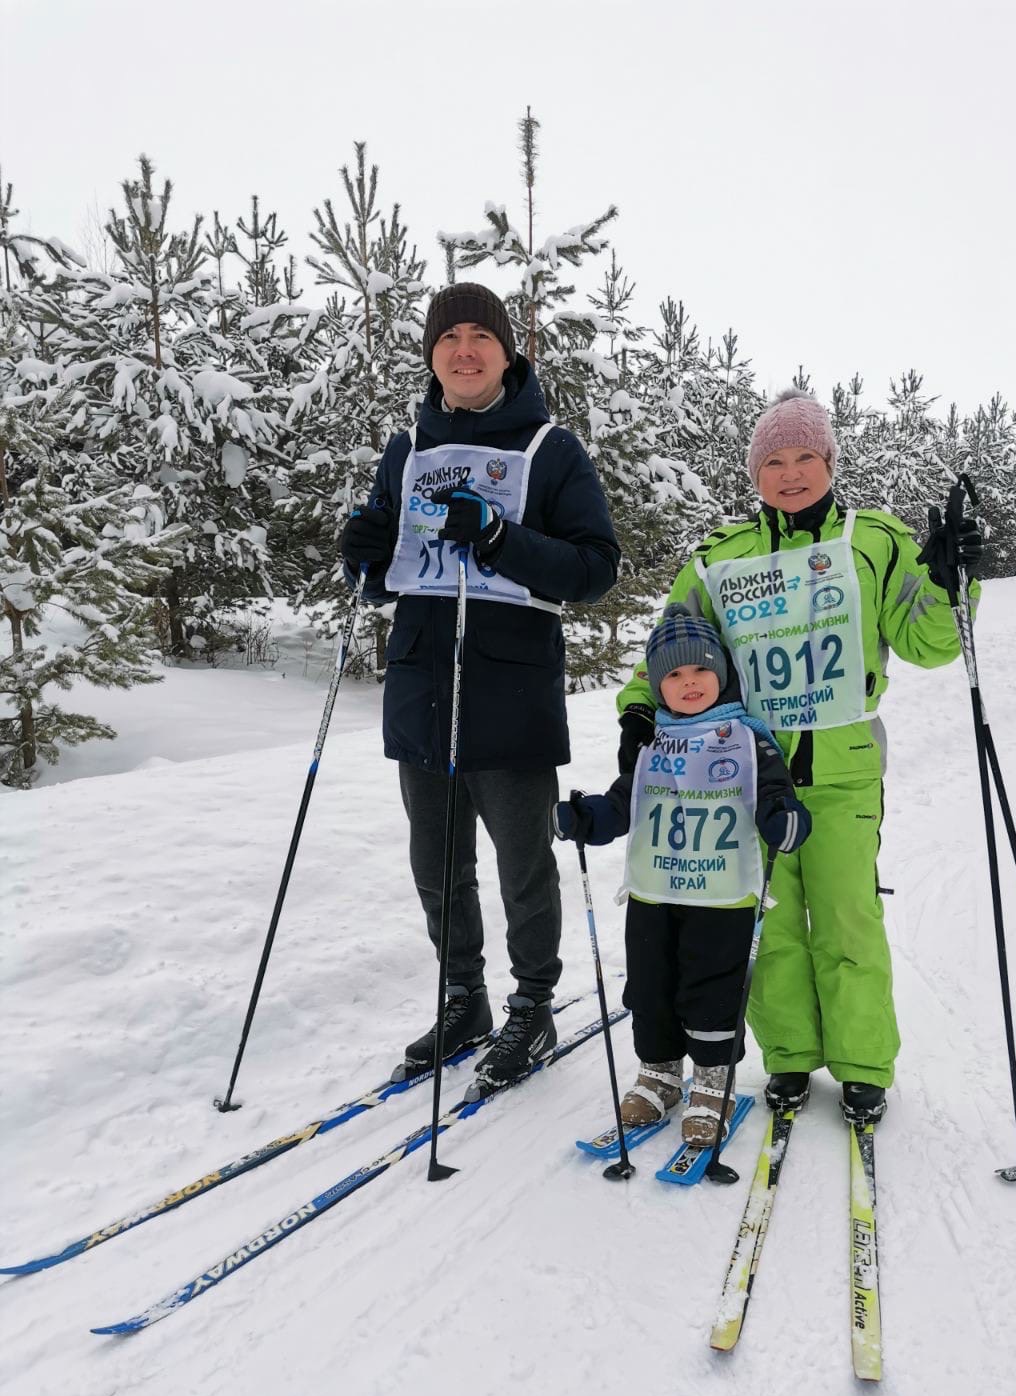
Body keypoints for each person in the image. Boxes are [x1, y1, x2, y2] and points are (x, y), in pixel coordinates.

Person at [615, 388, 982, 1125]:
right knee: (769, 925)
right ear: (756, 473)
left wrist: (951, 584)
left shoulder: (873, 541)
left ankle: (862, 1063)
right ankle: (787, 1055)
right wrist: (638, 711)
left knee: (847, 919)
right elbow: (670, 648)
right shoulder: (722, 557)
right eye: (773, 461)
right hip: (743, 775)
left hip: (843, 772)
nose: (789, 474)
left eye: (804, 457)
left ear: (829, 461)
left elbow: (930, 643)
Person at [340, 282, 619, 1088]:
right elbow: (386, 577)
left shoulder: (550, 449)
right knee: (437, 863)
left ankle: (532, 1005)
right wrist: (361, 552)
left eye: (480, 336)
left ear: (506, 351)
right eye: (449, 337)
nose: (464, 350)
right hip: (421, 689)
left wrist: (501, 537)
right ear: (433, 354)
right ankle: (464, 995)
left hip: (508, 691)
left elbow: (595, 570)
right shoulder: (408, 449)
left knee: (521, 866)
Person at [553, 605, 810, 1146]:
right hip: (656, 890)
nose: (689, 682)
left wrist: (783, 816)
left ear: (722, 673)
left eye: (700, 671)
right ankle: (660, 1073)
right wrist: (588, 817)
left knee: (710, 988)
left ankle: (712, 1081)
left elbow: (776, 792)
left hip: (722, 893)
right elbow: (626, 801)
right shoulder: (652, 743)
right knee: (650, 983)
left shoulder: (746, 737)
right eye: (673, 674)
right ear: (658, 685)